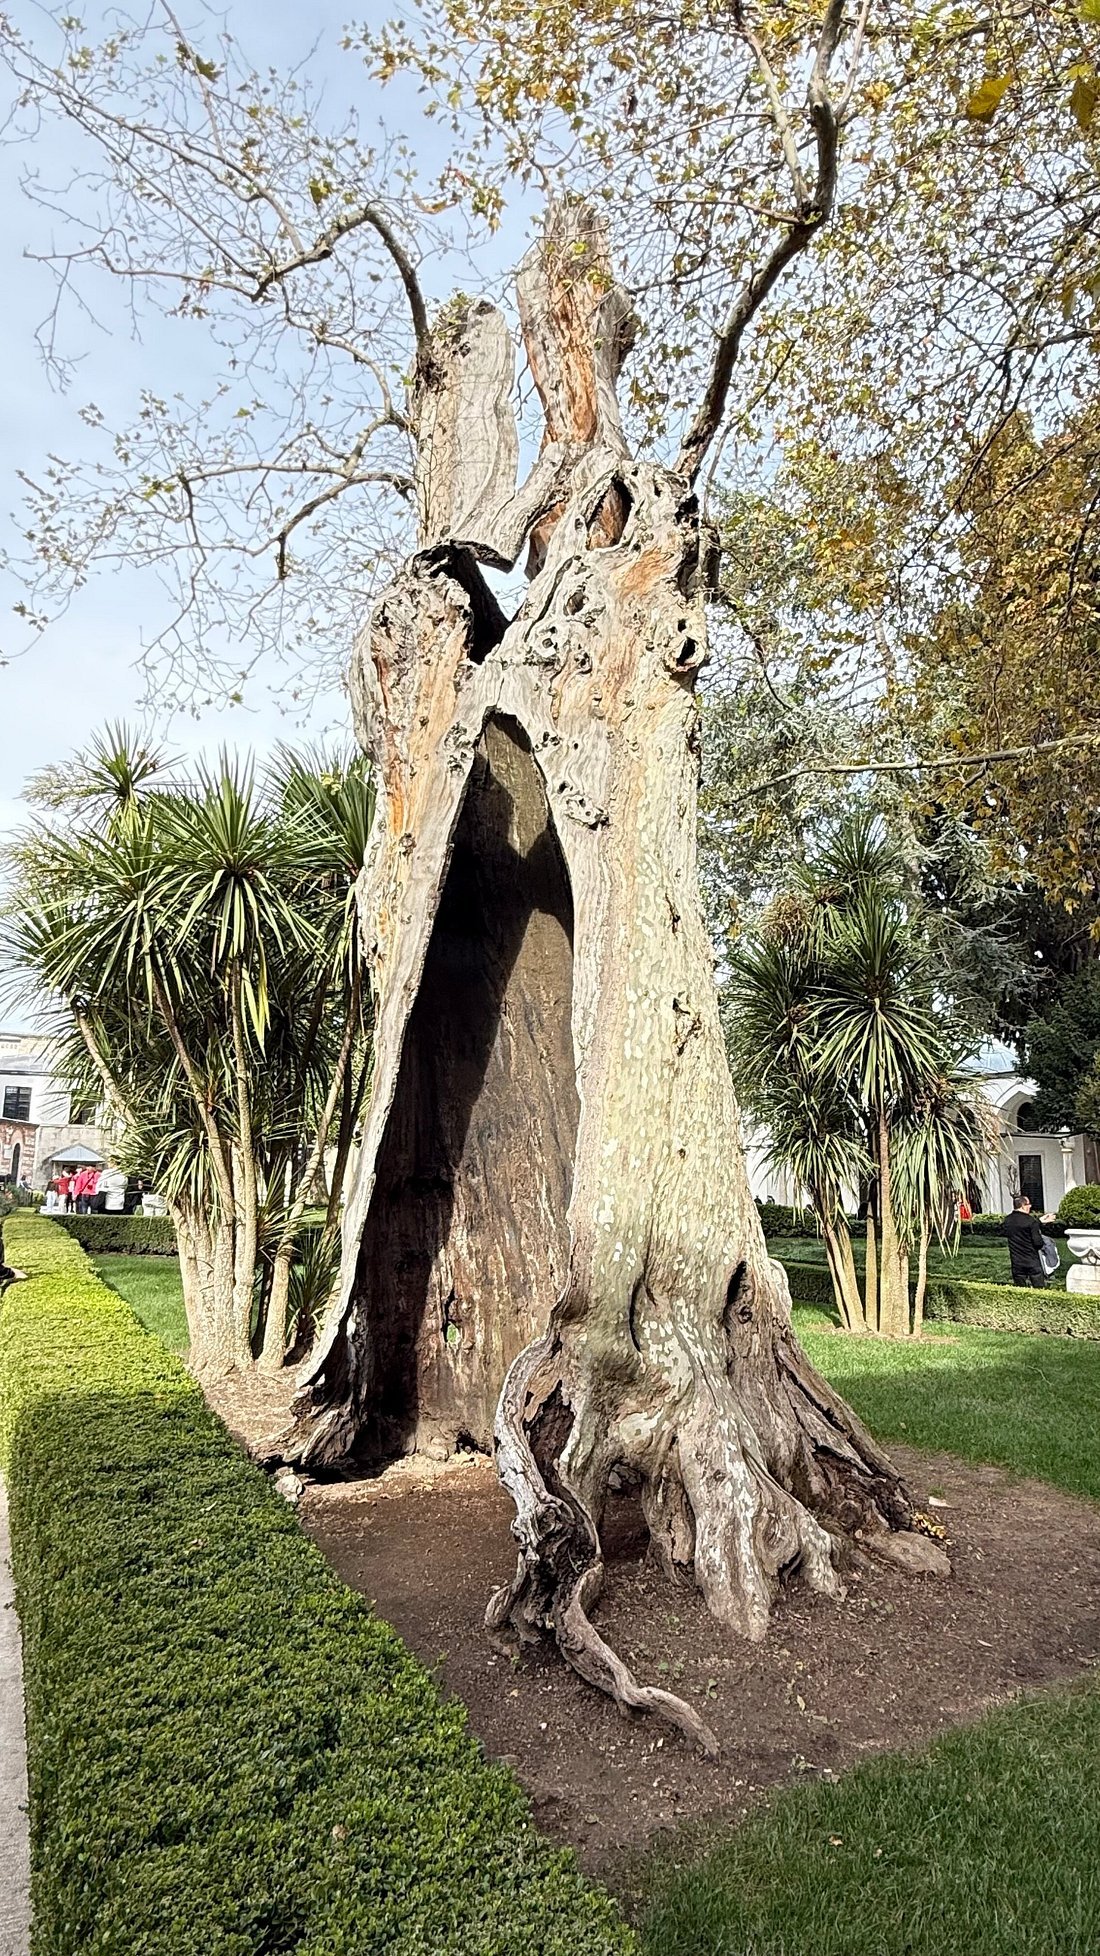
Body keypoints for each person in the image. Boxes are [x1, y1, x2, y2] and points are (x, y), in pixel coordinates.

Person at [1004, 1191, 1056, 1288]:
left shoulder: (1008, 1220)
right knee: (1039, 1289)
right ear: (1023, 1206)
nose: (1030, 1206)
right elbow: (1038, 1243)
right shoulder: (1030, 1221)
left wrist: (1039, 1221)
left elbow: (1020, 1228)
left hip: (1016, 1262)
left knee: (1020, 1289)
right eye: (1028, 1204)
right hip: (1031, 1261)